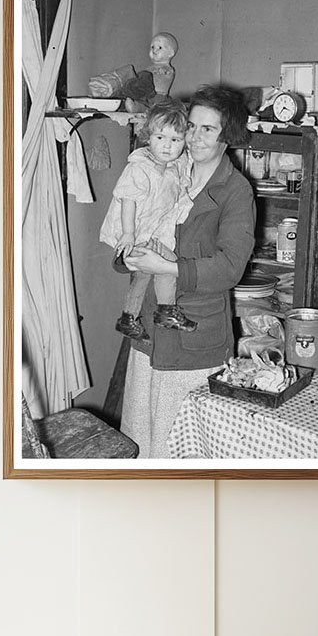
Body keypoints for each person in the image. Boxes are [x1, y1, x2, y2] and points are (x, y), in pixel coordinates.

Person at [121, 84, 256, 458]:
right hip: (148, 333)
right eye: (191, 126)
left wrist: (165, 266)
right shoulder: (163, 171)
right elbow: (125, 226)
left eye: (207, 129)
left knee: (179, 451)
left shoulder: (235, 191)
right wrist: (126, 255)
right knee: (139, 439)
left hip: (193, 342)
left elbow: (230, 268)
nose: (193, 137)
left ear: (227, 135)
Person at [99, 101, 196, 341]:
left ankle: (128, 318)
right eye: (160, 137)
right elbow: (127, 200)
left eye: (176, 140)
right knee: (167, 264)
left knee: (143, 274)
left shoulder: (172, 166)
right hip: (135, 232)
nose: (167, 146)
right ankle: (165, 310)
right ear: (148, 137)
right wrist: (128, 233)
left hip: (150, 232)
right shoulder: (139, 167)